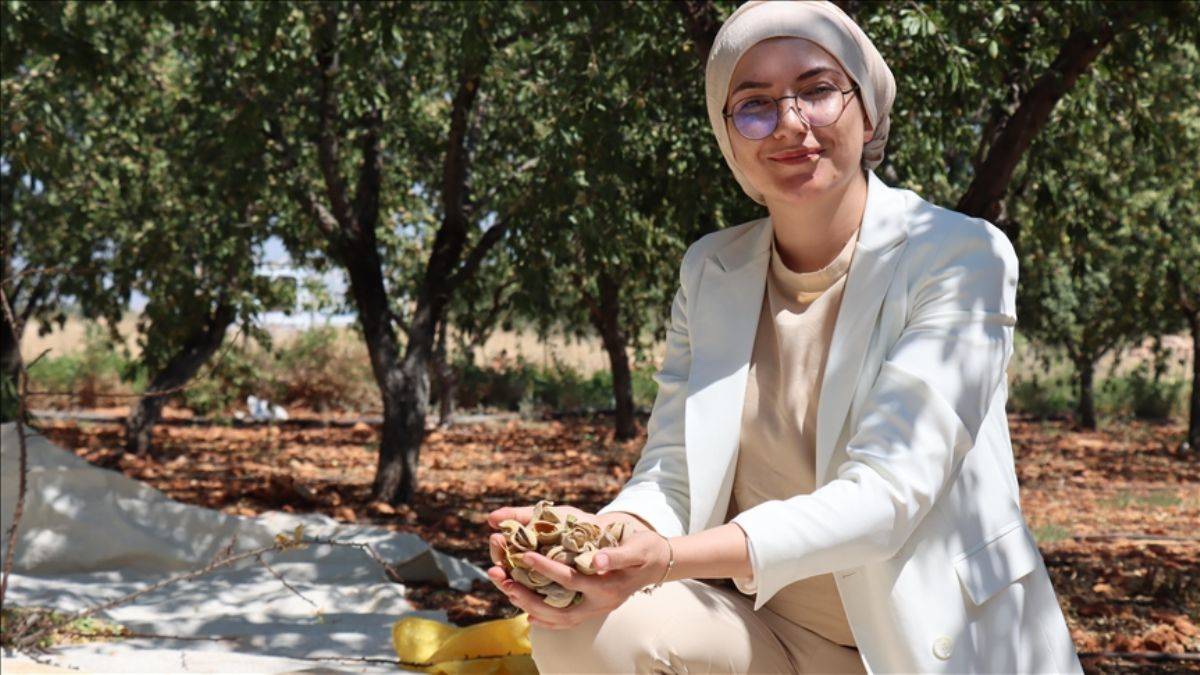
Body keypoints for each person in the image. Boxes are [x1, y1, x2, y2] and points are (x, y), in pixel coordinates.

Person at [486, 1, 1083, 672]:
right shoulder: (712, 269)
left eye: (818, 90)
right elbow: (671, 475)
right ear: (730, 136)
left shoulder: (959, 255)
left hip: (922, 646)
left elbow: (888, 494)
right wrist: (600, 545)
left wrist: (671, 560)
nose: (790, 124)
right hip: (772, 638)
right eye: (754, 105)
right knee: (577, 631)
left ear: (867, 109)